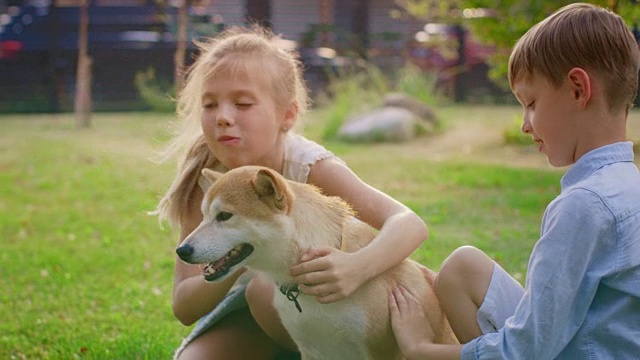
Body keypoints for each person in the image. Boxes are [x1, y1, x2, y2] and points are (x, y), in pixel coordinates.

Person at [154, 26, 429, 359]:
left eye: (242, 103)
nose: (223, 118)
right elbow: (184, 307)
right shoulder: (208, 183)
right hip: (245, 312)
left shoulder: (310, 167)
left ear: (288, 115)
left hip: (325, 306)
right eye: (209, 105)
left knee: (263, 288)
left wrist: (357, 267)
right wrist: (241, 254)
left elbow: (410, 223)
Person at [389, 3, 640, 359]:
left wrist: (421, 350)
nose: (525, 124)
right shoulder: (627, 186)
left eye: (531, 103)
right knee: (463, 268)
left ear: (578, 89)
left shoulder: (585, 205)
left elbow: (527, 350)